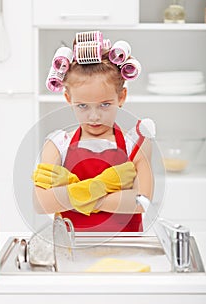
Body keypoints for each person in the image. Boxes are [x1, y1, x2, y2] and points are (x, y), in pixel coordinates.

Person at [32, 31, 154, 232]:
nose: (94, 116)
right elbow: (41, 203)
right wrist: (103, 189)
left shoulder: (137, 143)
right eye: (82, 106)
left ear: (121, 97)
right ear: (69, 99)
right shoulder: (57, 144)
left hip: (126, 250)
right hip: (71, 250)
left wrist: (75, 194)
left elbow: (141, 201)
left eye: (105, 104)